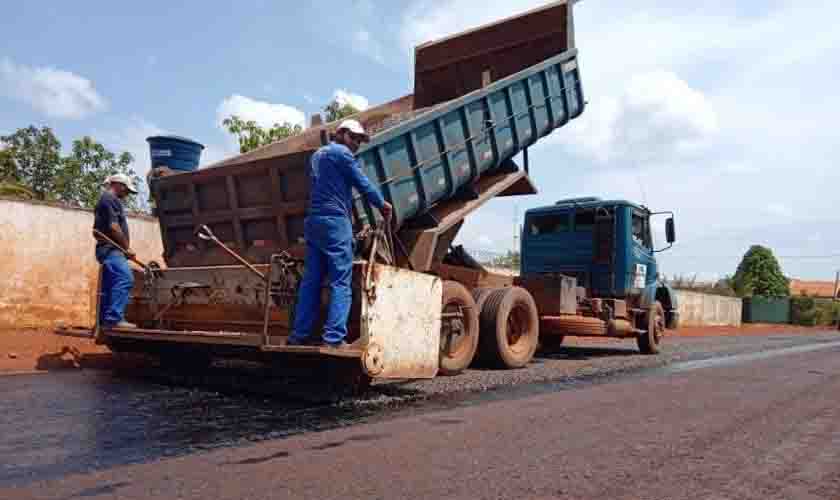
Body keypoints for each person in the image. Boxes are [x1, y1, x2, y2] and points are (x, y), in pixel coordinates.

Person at [288, 119, 393, 348]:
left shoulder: (316, 155)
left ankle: (299, 335)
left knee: (311, 281)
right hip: (335, 222)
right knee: (340, 281)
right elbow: (362, 183)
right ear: (342, 134)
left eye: (359, 140)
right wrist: (382, 204)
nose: (357, 144)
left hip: (314, 223)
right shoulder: (342, 155)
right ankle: (334, 338)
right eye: (354, 138)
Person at [93, 173, 139, 329]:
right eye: (126, 190)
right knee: (125, 279)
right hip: (112, 250)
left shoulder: (107, 200)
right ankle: (113, 319)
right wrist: (127, 248)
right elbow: (114, 227)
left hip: (107, 249)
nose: (127, 195)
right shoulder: (110, 199)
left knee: (109, 286)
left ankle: (104, 322)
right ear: (118, 185)